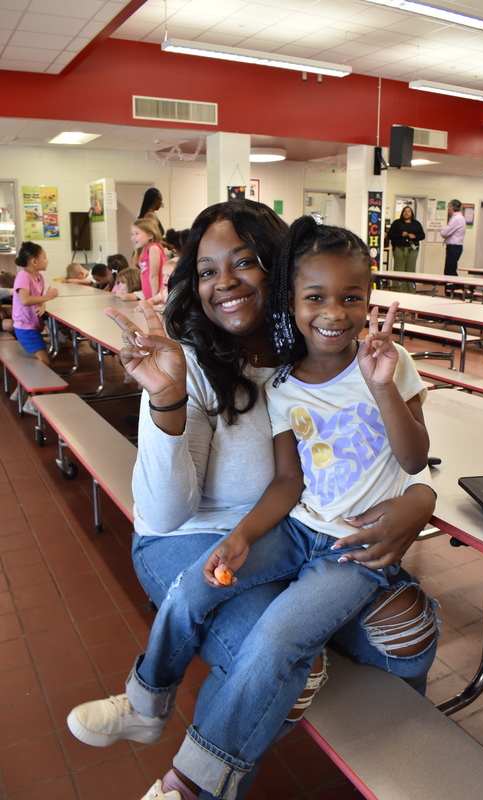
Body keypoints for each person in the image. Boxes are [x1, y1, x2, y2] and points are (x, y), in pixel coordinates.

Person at [66, 200, 438, 800]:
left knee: (409, 628)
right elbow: (164, 513)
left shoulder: (329, 364)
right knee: (291, 659)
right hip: (191, 535)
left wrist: (420, 499)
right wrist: (165, 399)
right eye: (207, 270)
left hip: (301, 532)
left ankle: (413, 760)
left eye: (243, 262)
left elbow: (400, 451)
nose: (224, 283)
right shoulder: (182, 360)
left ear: (279, 269)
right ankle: (190, 773)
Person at [11, 242, 59, 414]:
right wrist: (49, 296)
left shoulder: (39, 277)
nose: (47, 260)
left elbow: (37, 298)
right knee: (44, 361)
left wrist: (44, 303)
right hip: (25, 326)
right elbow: (24, 300)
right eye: (44, 257)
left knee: (40, 361)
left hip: (32, 325)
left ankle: (21, 391)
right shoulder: (24, 276)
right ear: (34, 261)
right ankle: (32, 400)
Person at [387, 206, 425, 292]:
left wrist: (415, 236)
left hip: (412, 249)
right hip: (399, 248)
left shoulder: (416, 224)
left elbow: (422, 235)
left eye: (409, 211)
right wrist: (401, 234)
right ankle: (398, 289)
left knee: (410, 269)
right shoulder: (397, 223)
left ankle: (410, 290)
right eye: (405, 211)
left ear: (411, 213)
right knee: (399, 269)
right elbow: (390, 235)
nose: (406, 213)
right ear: (402, 213)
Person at [132, 217, 166, 299]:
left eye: (137, 233)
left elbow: (154, 276)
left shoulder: (153, 248)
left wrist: (154, 299)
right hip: (148, 296)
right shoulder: (144, 251)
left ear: (150, 235)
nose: (133, 237)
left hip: (155, 295)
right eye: (132, 234)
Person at [440, 199, 466, 279]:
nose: (448, 209)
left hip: (453, 247)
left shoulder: (456, 218)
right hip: (456, 247)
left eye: (448, 207)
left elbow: (444, 233)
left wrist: (446, 234)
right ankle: (452, 288)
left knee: (450, 271)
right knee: (451, 269)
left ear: (451, 207)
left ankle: (452, 288)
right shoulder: (460, 217)